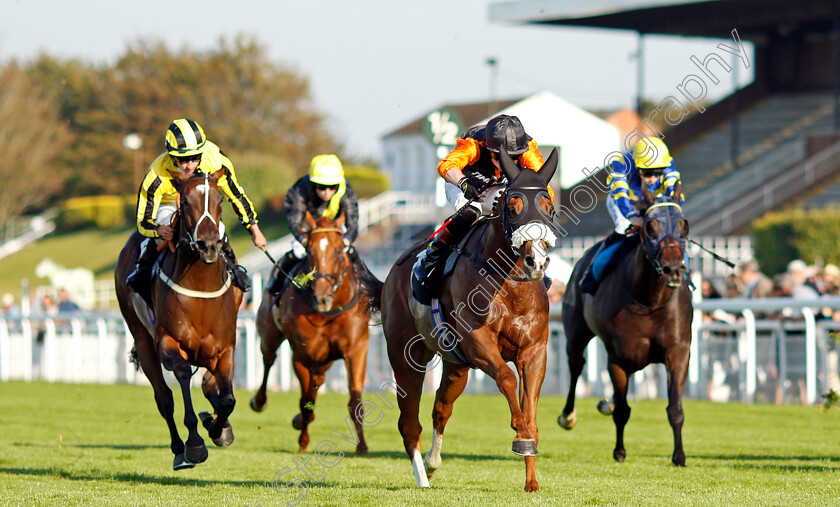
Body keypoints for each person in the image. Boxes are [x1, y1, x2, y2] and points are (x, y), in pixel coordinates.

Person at [411, 114, 555, 300]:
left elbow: (544, 188)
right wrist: (463, 183)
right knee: (471, 213)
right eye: (502, 158)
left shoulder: (528, 148)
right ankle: (432, 254)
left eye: (515, 158)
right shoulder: (473, 143)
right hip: (464, 184)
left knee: (520, 208)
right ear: (489, 150)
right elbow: (447, 165)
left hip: (501, 188)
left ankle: (534, 257)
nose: (509, 164)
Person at [126, 118, 267, 298]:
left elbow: (236, 196)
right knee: (165, 224)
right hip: (169, 203)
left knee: (219, 228)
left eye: (195, 158)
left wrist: (254, 229)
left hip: (200, 200)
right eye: (184, 159)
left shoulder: (216, 161)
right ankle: (144, 270)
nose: (190, 165)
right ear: (171, 155)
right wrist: (157, 230)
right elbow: (143, 221)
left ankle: (234, 268)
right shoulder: (156, 175)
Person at [579, 136, 683, 295]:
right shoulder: (622, 162)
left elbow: (676, 196)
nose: (653, 178)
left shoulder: (667, 162)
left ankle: (684, 274)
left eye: (658, 173)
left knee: (670, 235)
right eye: (647, 173)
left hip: (653, 204)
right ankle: (592, 272)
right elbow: (620, 196)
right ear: (637, 165)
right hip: (624, 202)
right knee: (623, 230)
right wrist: (634, 219)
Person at [266, 154, 366, 296]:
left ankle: (365, 288)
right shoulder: (300, 189)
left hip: (334, 228)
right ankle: (276, 287)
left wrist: (346, 240)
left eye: (332, 187)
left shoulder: (346, 189)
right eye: (322, 187)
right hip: (308, 228)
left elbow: (353, 222)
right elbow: (295, 221)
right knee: (296, 253)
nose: (327, 192)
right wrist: (304, 240)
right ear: (313, 184)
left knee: (351, 252)